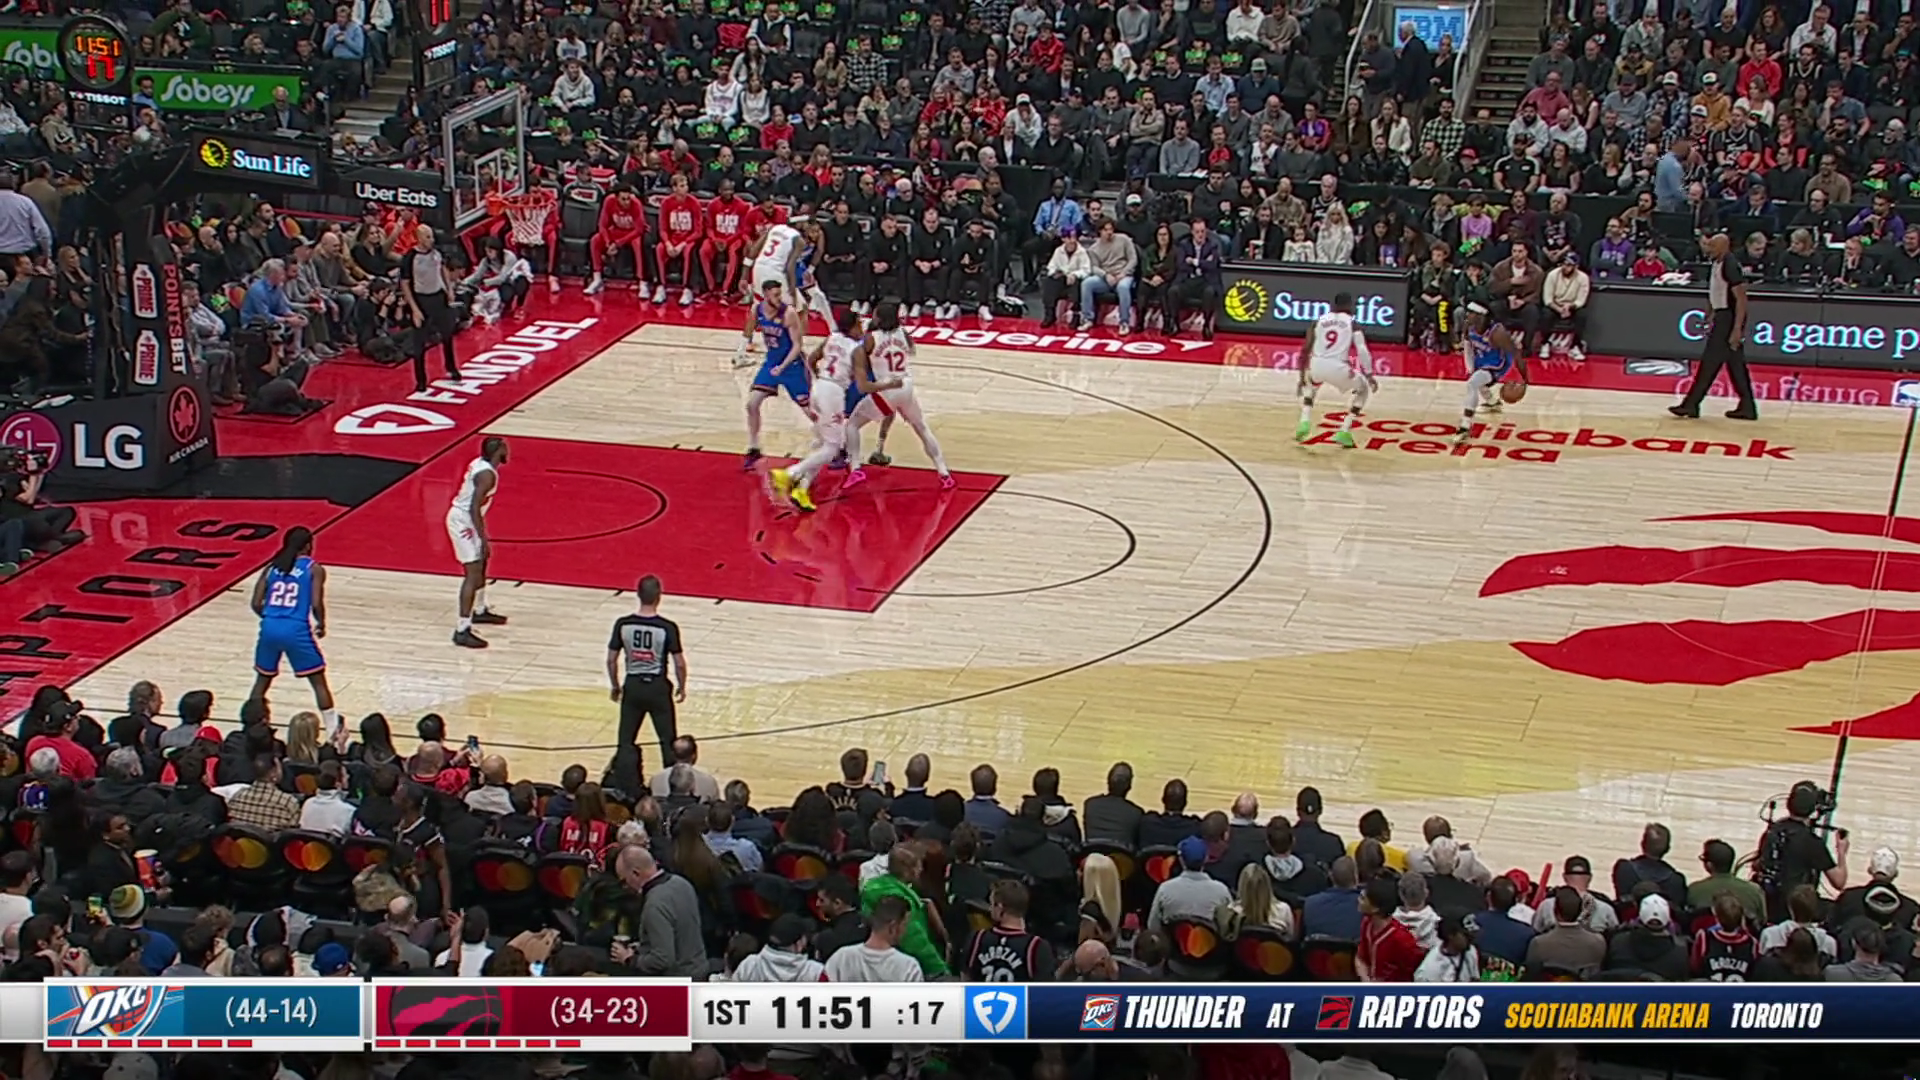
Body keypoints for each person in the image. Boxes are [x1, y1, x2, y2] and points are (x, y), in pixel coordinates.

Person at [772, 307, 898, 512]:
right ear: (852, 327)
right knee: (833, 448)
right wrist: (886, 385)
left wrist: (820, 378)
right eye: (859, 325)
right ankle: (790, 473)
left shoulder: (831, 338)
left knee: (824, 443)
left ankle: (802, 489)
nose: (861, 329)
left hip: (818, 387)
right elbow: (862, 383)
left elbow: (811, 360)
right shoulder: (856, 349)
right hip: (833, 393)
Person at [845, 302, 953, 491]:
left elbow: (862, 356)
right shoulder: (904, 333)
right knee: (921, 428)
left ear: (879, 318)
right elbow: (912, 350)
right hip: (906, 386)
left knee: (852, 425)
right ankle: (944, 472)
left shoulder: (871, 338)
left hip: (886, 389)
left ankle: (855, 469)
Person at [247, 526, 338, 727]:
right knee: (318, 681)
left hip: (269, 626)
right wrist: (321, 623)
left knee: (262, 680)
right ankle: (333, 730)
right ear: (308, 546)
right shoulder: (313, 569)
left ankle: (249, 725)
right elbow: (316, 603)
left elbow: (255, 603)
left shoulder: (271, 568)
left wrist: (271, 617)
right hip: (295, 628)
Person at [1669, 228, 1759, 420]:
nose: (1708, 249)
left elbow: (1741, 299)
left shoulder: (1730, 265)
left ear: (1724, 247)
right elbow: (1716, 291)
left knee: (1710, 363)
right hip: (1721, 315)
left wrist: (1737, 329)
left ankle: (1691, 404)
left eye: (1713, 246)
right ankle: (1747, 407)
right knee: (1735, 365)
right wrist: (1709, 313)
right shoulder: (1715, 263)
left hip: (1729, 318)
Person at [607, 574, 687, 769]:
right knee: (667, 741)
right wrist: (682, 686)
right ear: (659, 596)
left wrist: (615, 686)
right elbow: (679, 663)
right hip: (657, 687)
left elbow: (611, 660)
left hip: (633, 685)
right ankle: (671, 780)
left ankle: (622, 779)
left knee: (625, 741)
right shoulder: (667, 627)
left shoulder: (623, 624)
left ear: (638, 594)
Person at [738, 279, 812, 469]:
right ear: (765, 295)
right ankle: (754, 447)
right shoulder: (757, 310)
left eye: (780, 294)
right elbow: (749, 329)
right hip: (771, 363)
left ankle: (838, 445)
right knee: (752, 404)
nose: (779, 298)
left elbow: (797, 345)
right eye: (775, 295)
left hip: (792, 366)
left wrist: (783, 366)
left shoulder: (789, 313)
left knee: (810, 411)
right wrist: (740, 350)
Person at [447, 436, 510, 649]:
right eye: (505, 448)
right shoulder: (487, 475)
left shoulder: (481, 464)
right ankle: (462, 630)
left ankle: (480, 610)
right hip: (463, 521)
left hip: (467, 519)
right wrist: (483, 538)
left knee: (482, 563)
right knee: (472, 572)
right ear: (498, 452)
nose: (507, 452)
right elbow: (474, 507)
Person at [1293, 291, 1378, 448]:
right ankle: (1344, 430)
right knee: (1363, 389)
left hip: (1317, 365)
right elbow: (1362, 350)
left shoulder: (1318, 321)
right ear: (1349, 305)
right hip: (1339, 367)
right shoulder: (1352, 323)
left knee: (1311, 386)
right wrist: (1369, 375)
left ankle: (1304, 421)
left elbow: (1305, 350)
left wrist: (1301, 377)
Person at [1453, 303, 1527, 446]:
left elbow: (1515, 352)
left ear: (1481, 316)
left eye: (1471, 312)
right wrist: (1470, 368)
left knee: (1473, 384)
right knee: (1476, 379)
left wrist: (1524, 378)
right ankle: (1493, 403)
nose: (1467, 315)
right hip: (1481, 359)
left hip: (1498, 364)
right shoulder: (1468, 325)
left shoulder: (1497, 332)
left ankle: (1464, 427)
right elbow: (1467, 346)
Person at [400, 225, 460, 394]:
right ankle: (421, 380)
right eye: (427, 237)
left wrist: (449, 289)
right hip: (421, 299)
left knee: (447, 334)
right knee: (419, 343)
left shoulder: (437, 252)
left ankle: (451, 367)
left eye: (432, 236)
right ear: (418, 238)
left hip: (438, 296)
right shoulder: (410, 257)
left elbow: (442, 269)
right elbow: (405, 284)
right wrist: (414, 309)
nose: (431, 240)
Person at [587, 186, 650, 297]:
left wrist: (617, 243)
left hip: (632, 233)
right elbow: (602, 225)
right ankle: (597, 278)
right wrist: (608, 243)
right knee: (595, 240)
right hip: (617, 230)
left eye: (628, 198)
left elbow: (639, 229)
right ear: (616, 198)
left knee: (638, 244)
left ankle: (642, 282)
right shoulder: (609, 201)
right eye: (623, 199)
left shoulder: (636, 204)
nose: (627, 202)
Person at [1169, 218, 1225, 339]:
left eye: (1203, 231)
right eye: (1197, 232)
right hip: (1188, 280)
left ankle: (1206, 325)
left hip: (1205, 280)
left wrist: (1194, 261)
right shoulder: (1184, 245)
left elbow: (1213, 265)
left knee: (1210, 292)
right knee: (1173, 291)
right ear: (1192, 232)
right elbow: (1181, 265)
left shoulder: (1213, 245)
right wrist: (1203, 263)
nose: (1200, 235)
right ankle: (1175, 323)